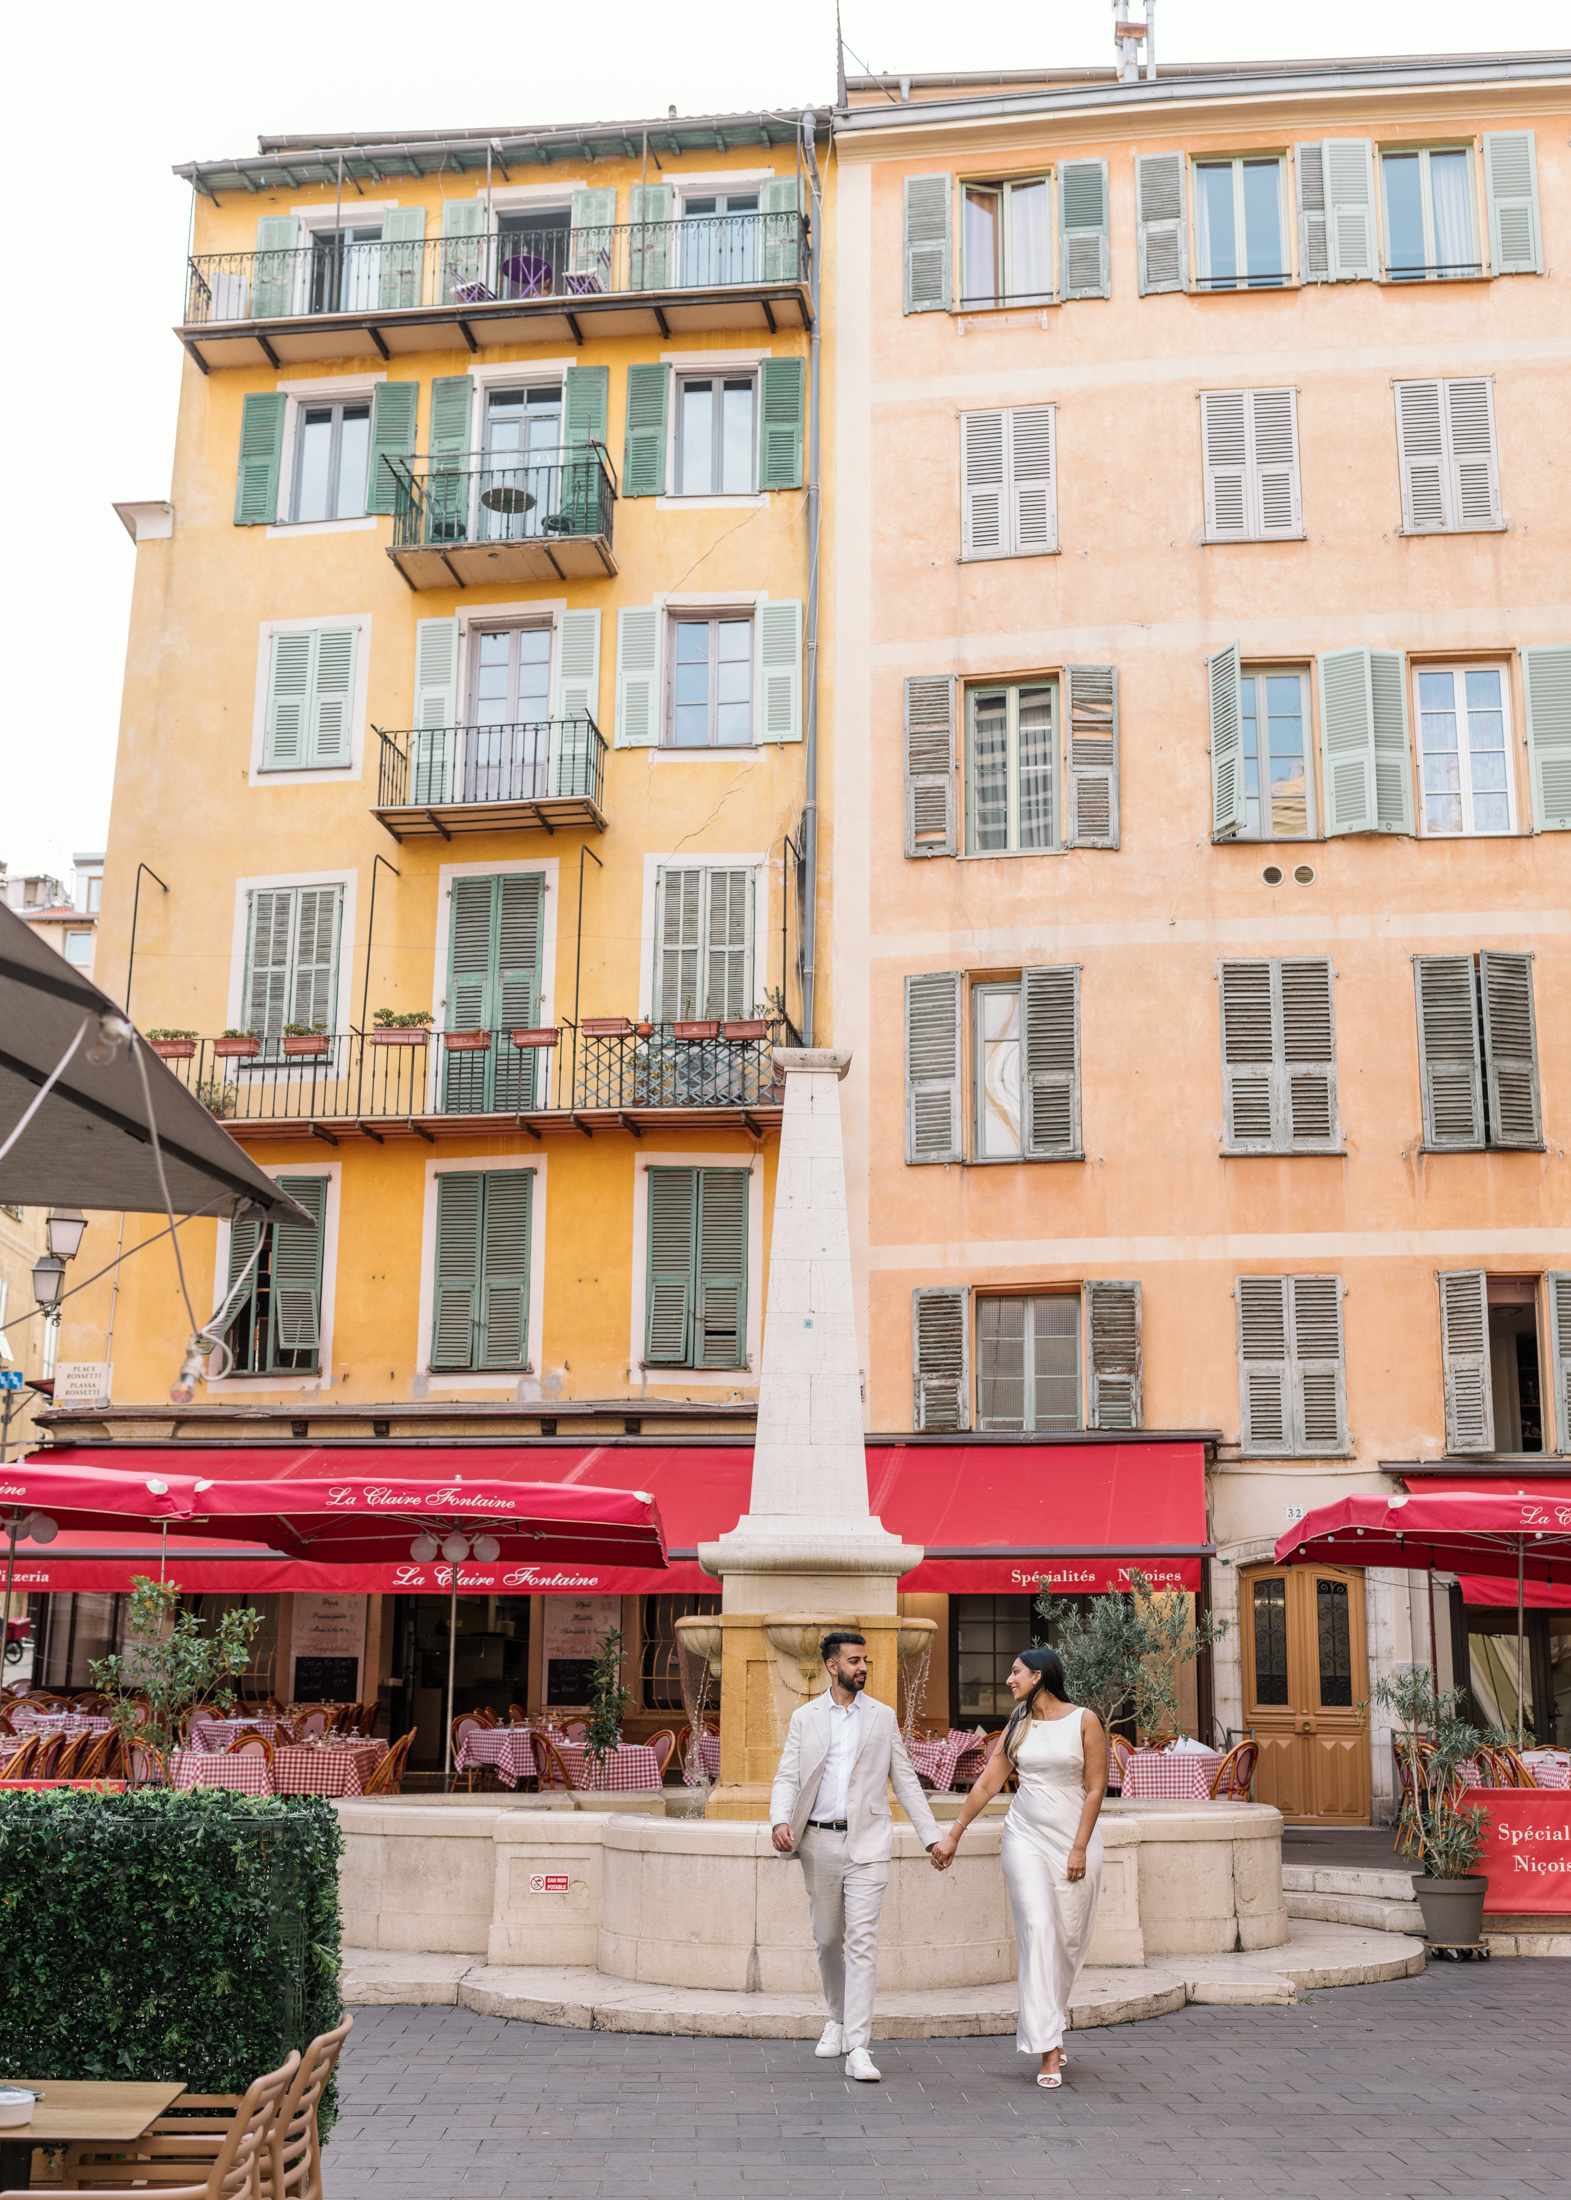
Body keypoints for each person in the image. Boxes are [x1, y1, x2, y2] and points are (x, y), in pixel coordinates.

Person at [930, 1646, 1107, 2088]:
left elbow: (1095, 1787)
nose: (1009, 1680)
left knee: (1066, 1941)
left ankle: (1053, 2025)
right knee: (1038, 1932)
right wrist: (954, 1831)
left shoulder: (1084, 1720)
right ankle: (1047, 2049)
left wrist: (1079, 1847)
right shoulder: (1017, 1724)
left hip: (1073, 1841)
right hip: (1024, 1837)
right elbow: (991, 1780)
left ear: (1040, 1675)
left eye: (1016, 1672)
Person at [770, 1629, 942, 2082]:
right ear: (832, 1666)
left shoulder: (882, 1718)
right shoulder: (805, 1717)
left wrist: (931, 1837)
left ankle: (859, 2047)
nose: (863, 1667)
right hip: (817, 1842)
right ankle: (837, 2017)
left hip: (868, 1843)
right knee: (828, 1940)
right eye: (854, 1661)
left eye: (864, 1660)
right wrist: (779, 1821)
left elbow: (904, 1780)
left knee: (863, 1942)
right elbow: (787, 1776)